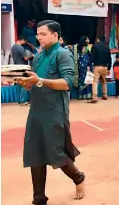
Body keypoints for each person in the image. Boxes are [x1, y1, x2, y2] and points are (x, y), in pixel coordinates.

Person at [17, 20, 85, 205]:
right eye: (38, 34)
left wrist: (39, 81)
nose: (39, 37)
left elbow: (66, 84)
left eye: (43, 34)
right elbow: (36, 82)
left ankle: (78, 178)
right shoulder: (38, 56)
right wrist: (26, 83)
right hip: (36, 112)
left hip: (55, 112)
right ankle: (39, 199)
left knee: (56, 154)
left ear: (55, 35)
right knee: (34, 154)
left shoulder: (63, 54)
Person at [11, 35, 34, 105]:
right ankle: (23, 100)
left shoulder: (13, 47)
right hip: (22, 67)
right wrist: (32, 55)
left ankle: (19, 100)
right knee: (24, 83)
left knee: (19, 83)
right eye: (25, 41)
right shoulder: (20, 48)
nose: (25, 43)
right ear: (22, 40)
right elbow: (26, 58)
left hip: (16, 66)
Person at [88, 36, 111, 103]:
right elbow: (109, 58)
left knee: (95, 82)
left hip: (97, 66)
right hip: (105, 67)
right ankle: (105, 95)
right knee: (103, 81)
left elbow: (92, 56)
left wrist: (90, 64)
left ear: (98, 39)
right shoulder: (107, 47)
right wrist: (109, 68)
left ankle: (95, 97)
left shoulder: (95, 46)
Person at [73, 36, 92, 100]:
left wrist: (89, 65)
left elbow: (90, 58)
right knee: (81, 80)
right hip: (79, 67)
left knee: (87, 80)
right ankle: (81, 95)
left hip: (87, 67)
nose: (88, 40)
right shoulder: (77, 48)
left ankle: (87, 95)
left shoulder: (88, 47)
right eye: (87, 39)